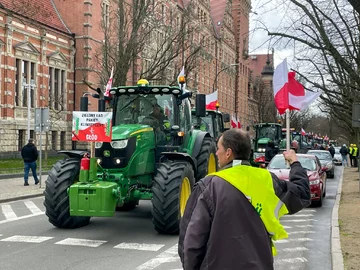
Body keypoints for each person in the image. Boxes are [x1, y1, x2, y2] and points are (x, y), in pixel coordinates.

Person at [178, 129, 311, 270]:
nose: (216, 153)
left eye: (218, 149)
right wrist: (294, 163)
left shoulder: (208, 186)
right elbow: (302, 194)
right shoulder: (267, 181)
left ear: (228, 153)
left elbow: (190, 242)